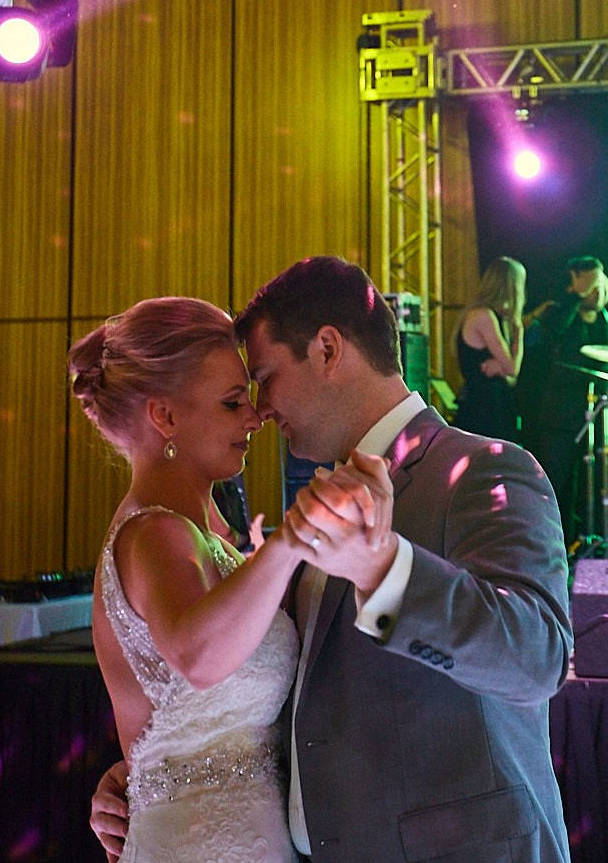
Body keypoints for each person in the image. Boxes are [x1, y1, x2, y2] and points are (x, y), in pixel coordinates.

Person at [91, 258, 573, 863]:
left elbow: (535, 659)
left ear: (326, 349)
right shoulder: (317, 506)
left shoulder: (481, 471)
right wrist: (153, 775)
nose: (261, 410)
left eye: (264, 378)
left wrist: (385, 572)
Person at [72, 295, 380, 863]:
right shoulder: (154, 535)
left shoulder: (205, 537)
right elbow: (200, 657)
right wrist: (293, 537)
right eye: (233, 401)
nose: (256, 416)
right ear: (165, 416)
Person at [519, 255, 608, 543]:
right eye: (589, 283)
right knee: (557, 489)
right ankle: (559, 550)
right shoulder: (557, 316)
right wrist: (575, 297)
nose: (596, 290)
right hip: (560, 418)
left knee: (598, 490)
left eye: (599, 282)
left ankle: (595, 546)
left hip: (603, 421)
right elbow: (544, 338)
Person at [452, 256, 528, 442]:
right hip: (484, 410)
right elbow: (512, 369)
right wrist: (519, 333)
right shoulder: (484, 316)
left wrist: (501, 368)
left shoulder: (491, 316)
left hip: (490, 406)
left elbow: (510, 378)